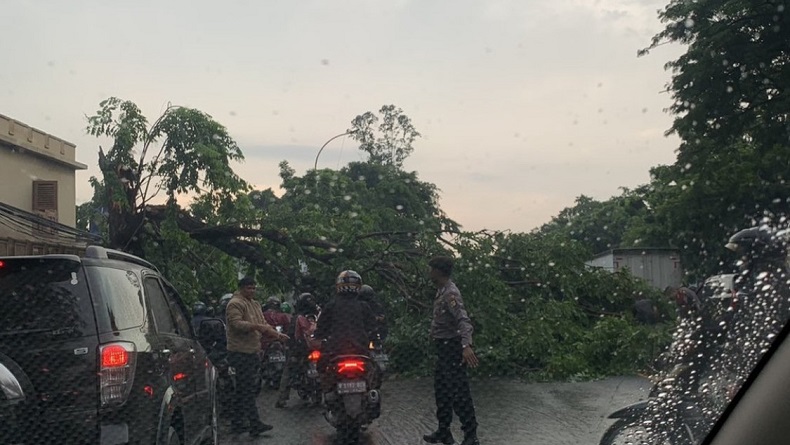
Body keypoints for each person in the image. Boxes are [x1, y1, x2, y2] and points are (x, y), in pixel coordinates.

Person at [423, 256, 480, 445]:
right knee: (442, 391)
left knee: (459, 392)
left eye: (431, 269)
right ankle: (444, 430)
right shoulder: (440, 291)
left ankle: (471, 435)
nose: (429, 272)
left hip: (453, 347)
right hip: (442, 347)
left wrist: (466, 346)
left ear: (438, 271)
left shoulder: (450, 294)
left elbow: (463, 320)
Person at [225, 277, 289, 436]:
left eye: (254, 288)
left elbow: (263, 324)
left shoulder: (254, 304)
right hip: (240, 352)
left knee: (242, 390)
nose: (252, 291)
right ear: (241, 289)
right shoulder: (235, 304)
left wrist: (277, 335)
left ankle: (237, 423)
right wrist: (257, 327)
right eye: (249, 288)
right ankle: (254, 423)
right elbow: (236, 324)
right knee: (247, 389)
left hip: (252, 351)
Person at [314, 270, 377, 392]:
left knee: (322, 369)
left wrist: (319, 337)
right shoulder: (363, 306)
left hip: (336, 350)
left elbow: (321, 327)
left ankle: (327, 395)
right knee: (375, 370)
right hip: (360, 349)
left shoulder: (331, 306)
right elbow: (373, 327)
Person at [276, 292, 321, 408]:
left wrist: (289, 345)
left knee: (287, 371)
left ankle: (281, 399)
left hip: (300, 350)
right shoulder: (319, 315)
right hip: (318, 348)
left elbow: (291, 335)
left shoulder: (297, 318)